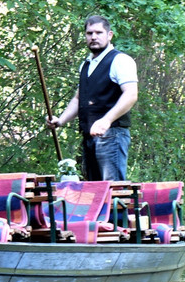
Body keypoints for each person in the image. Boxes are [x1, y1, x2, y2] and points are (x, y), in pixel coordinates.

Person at [46, 16, 138, 181]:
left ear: (109, 35)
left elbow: (131, 94)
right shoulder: (86, 64)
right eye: (89, 33)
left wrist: (106, 120)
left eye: (98, 32)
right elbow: (78, 99)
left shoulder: (120, 60)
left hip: (112, 135)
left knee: (114, 192)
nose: (93, 37)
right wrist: (61, 120)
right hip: (89, 136)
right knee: (95, 192)